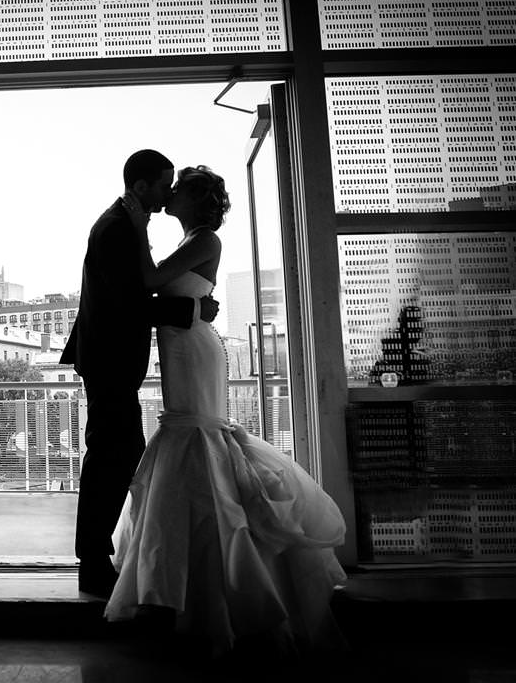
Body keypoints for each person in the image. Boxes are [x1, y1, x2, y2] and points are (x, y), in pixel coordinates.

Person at [106, 165, 348, 658]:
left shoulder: (205, 240)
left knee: (196, 434)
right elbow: (159, 291)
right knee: (192, 435)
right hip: (183, 342)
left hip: (191, 347)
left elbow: (150, 281)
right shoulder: (195, 239)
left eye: (179, 190)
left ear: (195, 201)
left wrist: (137, 227)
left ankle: (207, 575)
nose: (169, 195)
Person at [61, 149, 218, 599]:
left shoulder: (124, 224)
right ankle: (92, 561)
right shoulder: (117, 229)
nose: (169, 192)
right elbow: (129, 301)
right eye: (165, 183)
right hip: (109, 359)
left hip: (111, 359)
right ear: (143, 186)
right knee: (113, 453)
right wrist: (193, 307)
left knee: (116, 452)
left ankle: (94, 556)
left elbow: (136, 290)